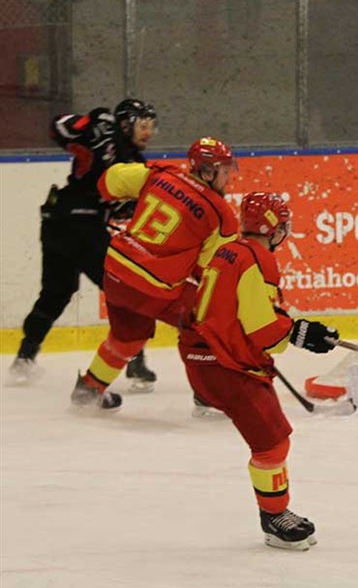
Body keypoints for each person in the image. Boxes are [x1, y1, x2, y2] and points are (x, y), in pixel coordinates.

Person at [178, 192, 340, 550]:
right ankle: (274, 518)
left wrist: (291, 328)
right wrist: (301, 333)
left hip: (203, 356)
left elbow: (234, 308)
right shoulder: (259, 259)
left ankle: (274, 512)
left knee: (271, 439)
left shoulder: (229, 250)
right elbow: (263, 329)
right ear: (274, 229)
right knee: (272, 443)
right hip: (225, 364)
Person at [70, 137, 240, 409]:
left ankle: (89, 389)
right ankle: (209, 397)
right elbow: (210, 272)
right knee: (210, 321)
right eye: (225, 171)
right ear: (208, 172)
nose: (229, 178)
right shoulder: (221, 215)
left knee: (127, 338)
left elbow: (109, 181)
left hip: (115, 273)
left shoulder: (162, 174)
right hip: (153, 288)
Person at [10, 99, 159, 388]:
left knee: (56, 293)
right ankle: (135, 364)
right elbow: (58, 127)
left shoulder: (136, 163)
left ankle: (24, 358)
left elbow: (123, 208)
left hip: (60, 222)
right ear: (125, 123)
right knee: (125, 289)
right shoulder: (104, 133)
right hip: (79, 225)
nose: (149, 132)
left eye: (151, 126)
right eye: (143, 125)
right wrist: (89, 122)